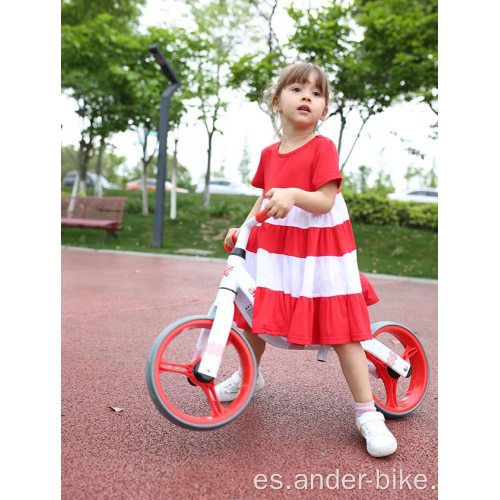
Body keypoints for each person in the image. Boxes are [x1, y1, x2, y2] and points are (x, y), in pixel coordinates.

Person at [215, 62, 397, 458]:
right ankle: (250, 374)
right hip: (280, 245)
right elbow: (263, 198)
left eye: (317, 94)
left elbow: (324, 201)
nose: (307, 98)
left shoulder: (322, 148)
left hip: (320, 247)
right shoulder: (268, 153)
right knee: (256, 310)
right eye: (298, 90)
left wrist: (294, 195)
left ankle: (368, 414)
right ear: (276, 102)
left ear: (324, 110)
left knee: (342, 330)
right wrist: (244, 227)